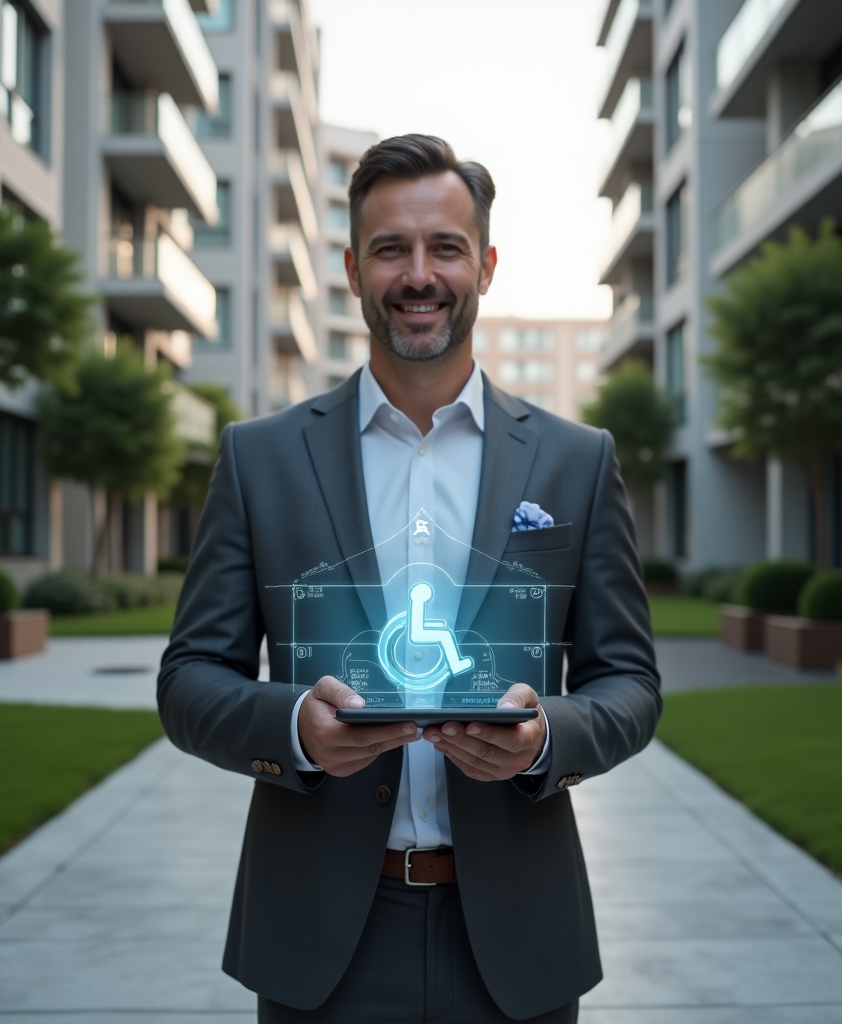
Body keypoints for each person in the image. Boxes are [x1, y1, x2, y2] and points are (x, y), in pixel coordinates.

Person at [158, 134, 661, 1023]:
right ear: (353, 268)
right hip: (320, 941)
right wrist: (297, 732)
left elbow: (630, 684)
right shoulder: (258, 458)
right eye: (391, 248)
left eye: (445, 248)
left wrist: (546, 738)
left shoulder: (577, 462)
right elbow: (190, 680)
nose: (418, 274)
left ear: (487, 265)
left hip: (516, 935)